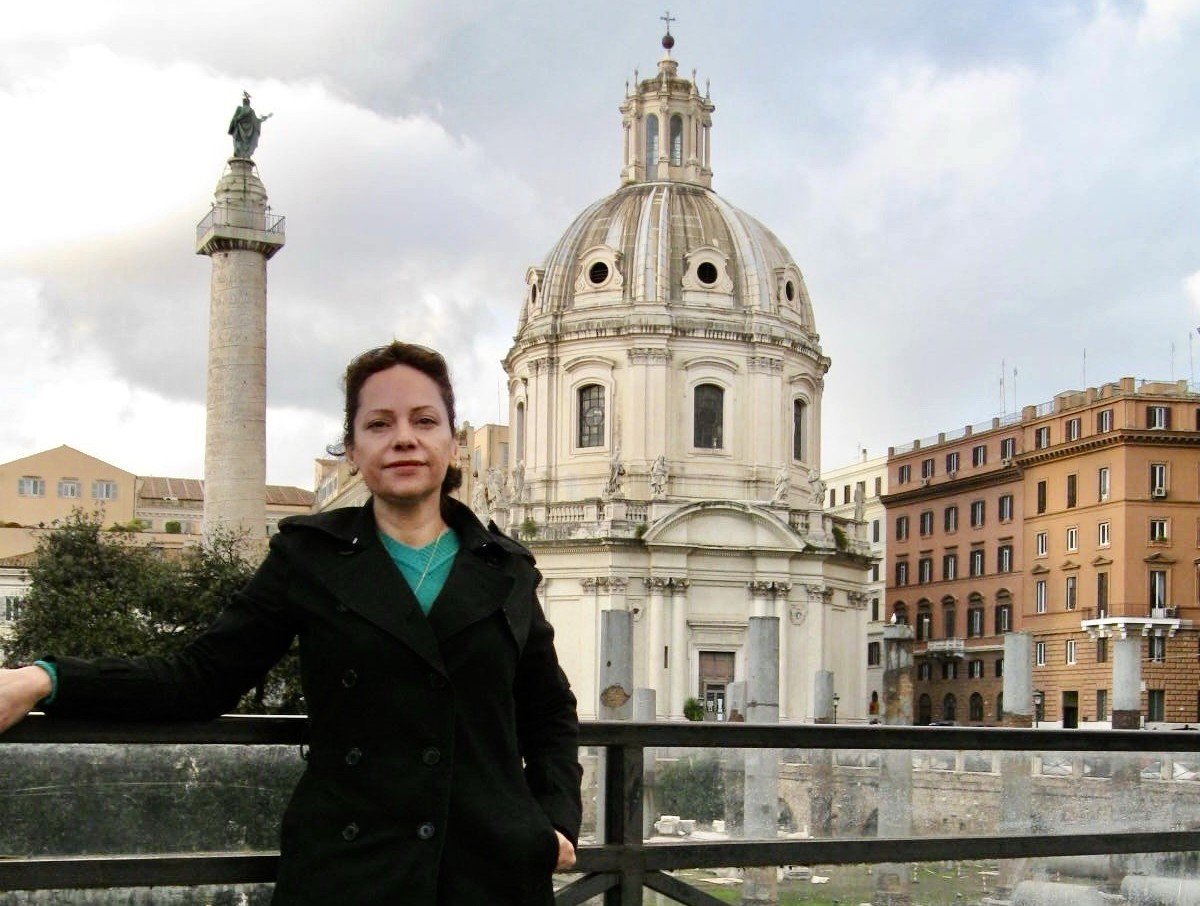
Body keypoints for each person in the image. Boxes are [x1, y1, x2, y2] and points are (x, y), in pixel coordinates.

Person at [0, 341, 583, 906]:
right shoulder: (308, 558)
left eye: (424, 420)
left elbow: (548, 709)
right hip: (352, 871)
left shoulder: (504, 567)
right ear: (351, 451)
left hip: (489, 872)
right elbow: (200, 676)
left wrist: (557, 818)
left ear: (452, 443)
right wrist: (49, 679)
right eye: (379, 424)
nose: (404, 438)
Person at [229, 92, 272, 158]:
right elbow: (256, 121)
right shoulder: (251, 111)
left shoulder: (240, 109)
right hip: (244, 134)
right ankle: (244, 155)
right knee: (241, 144)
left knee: (238, 143)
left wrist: (233, 126)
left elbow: (235, 119)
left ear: (243, 103)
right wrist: (263, 119)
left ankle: (239, 154)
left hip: (238, 133)